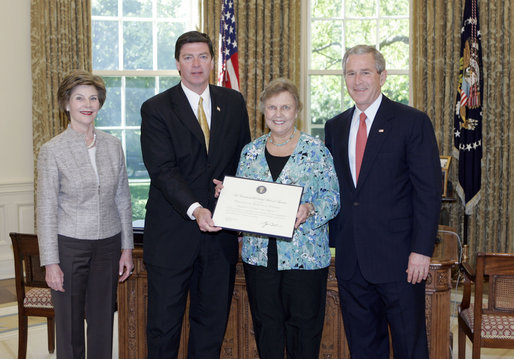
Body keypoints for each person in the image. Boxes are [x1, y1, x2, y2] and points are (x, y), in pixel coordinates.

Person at [324, 45, 442, 359]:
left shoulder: (411, 122)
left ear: (382, 76)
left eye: (366, 72)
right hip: (351, 261)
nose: (357, 80)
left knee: (410, 346)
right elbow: (333, 189)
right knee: (363, 348)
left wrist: (421, 250)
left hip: (400, 260)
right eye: (350, 73)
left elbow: (428, 192)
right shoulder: (334, 127)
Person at [140, 31, 251, 358]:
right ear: (177, 64)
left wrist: (232, 187)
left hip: (220, 237)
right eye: (188, 57)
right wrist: (196, 208)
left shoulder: (233, 102)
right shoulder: (156, 108)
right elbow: (162, 170)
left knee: (211, 325)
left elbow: (243, 158)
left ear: (213, 60)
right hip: (172, 234)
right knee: (163, 326)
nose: (196, 64)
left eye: (202, 56)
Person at [217, 78, 340, 358]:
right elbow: (243, 200)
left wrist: (309, 209)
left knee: (304, 332)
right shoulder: (250, 153)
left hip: (304, 258)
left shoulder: (316, 151)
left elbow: (332, 199)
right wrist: (229, 196)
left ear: (296, 110)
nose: (278, 114)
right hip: (260, 258)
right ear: (263, 112)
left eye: (285, 107)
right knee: (267, 330)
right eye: (272, 107)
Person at [37, 70, 134, 359]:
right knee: (69, 328)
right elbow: (46, 210)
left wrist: (126, 248)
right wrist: (51, 262)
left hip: (107, 246)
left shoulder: (113, 145)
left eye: (93, 98)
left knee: (103, 323)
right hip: (70, 247)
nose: (87, 103)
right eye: (79, 97)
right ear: (66, 103)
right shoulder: (52, 150)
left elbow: (123, 199)